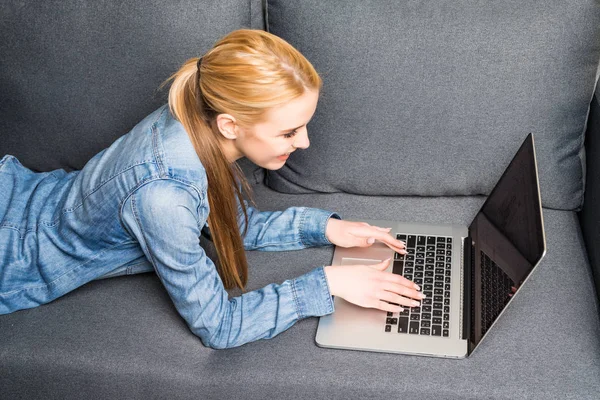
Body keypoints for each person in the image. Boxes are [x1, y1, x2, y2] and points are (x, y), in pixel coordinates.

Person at [0, 29, 424, 349]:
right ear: (230, 125)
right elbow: (219, 325)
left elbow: (228, 224)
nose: (305, 142)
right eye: (289, 131)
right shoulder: (164, 195)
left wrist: (325, 229)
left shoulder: (193, 116)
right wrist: (327, 283)